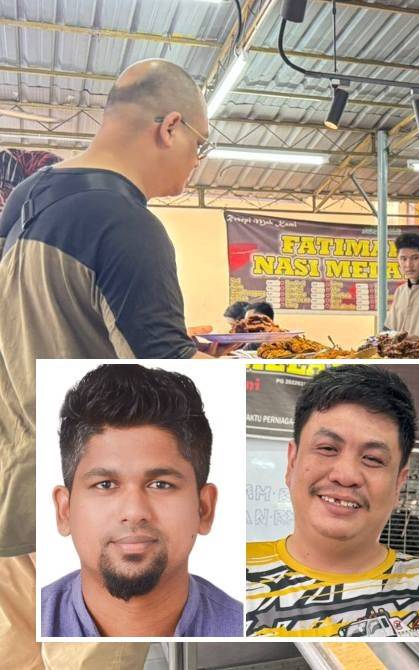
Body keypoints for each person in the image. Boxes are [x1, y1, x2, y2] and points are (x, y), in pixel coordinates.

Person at [0, 58, 213, 668]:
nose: (197, 159)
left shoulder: (26, 197)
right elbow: (173, 379)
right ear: (169, 127)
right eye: (201, 143)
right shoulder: (126, 223)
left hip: (15, 489)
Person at [41, 365, 242, 637]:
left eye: (161, 485)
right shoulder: (18, 630)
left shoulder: (252, 628)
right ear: (64, 511)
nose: (134, 512)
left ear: (204, 509)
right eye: (105, 484)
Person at [245, 365, 419, 637]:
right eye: (327, 448)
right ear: (291, 461)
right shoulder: (226, 581)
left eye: (372, 459)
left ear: (398, 484)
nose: (346, 476)